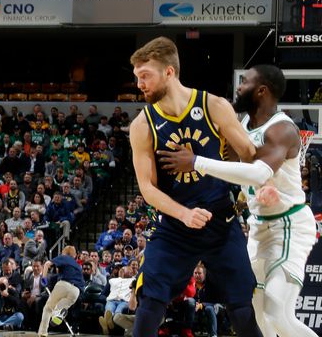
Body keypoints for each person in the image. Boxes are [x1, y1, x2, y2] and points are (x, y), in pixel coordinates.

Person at [158, 65, 317, 337]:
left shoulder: (282, 129)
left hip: (289, 226)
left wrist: (196, 162)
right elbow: (233, 167)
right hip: (258, 227)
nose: (238, 87)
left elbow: (257, 172)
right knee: (258, 317)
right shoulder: (243, 125)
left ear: (262, 90)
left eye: (244, 82)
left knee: (277, 313)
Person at [128, 36, 262, 337]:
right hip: (175, 227)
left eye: (145, 76)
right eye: (137, 78)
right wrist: (184, 214)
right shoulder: (142, 124)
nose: (139, 84)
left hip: (221, 222)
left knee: (241, 308)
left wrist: (253, 189)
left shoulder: (213, 105)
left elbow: (250, 154)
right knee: (150, 302)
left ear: (169, 72)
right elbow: (147, 189)